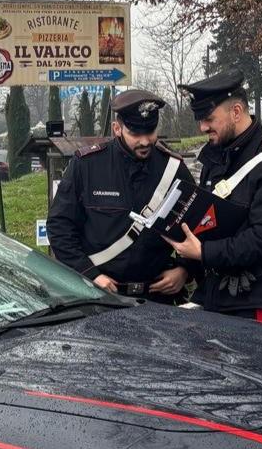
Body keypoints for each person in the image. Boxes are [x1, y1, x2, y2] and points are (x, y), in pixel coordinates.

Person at [162, 70, 262, 323]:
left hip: (256, 297)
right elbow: (208, 222)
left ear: (236, 112)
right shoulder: (216, 156)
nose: (203, 127)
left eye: (209, 119)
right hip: (218, 292)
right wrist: (187, 267)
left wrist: (204, 252)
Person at [46, 89, 196, 302]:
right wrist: (91, 275)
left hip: (156, 297)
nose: (145, 141)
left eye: (150, 131)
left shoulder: (173, 168)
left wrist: (184, 270)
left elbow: (198, 226)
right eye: (135, 133)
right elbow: (59, 227)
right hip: (99, 296)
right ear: (117, 128)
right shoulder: (87, 165)